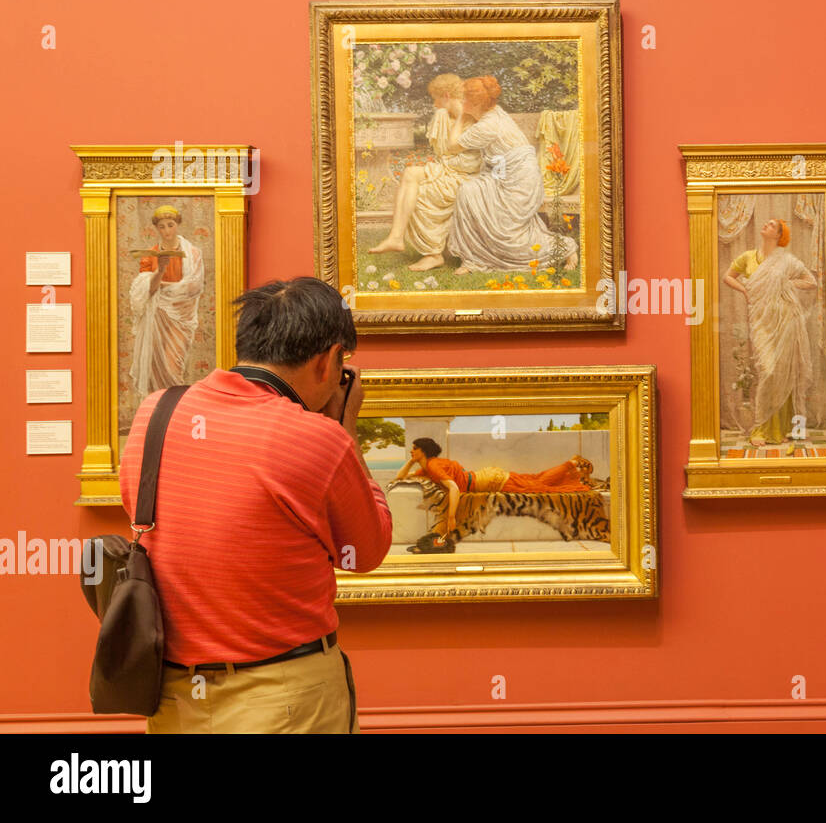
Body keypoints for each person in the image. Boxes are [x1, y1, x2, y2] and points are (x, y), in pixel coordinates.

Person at [118, 276, 393, 733]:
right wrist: (346, 431)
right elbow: (368, 551)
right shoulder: (319, 439)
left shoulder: (155, 412)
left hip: (172, 698)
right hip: (285, 697)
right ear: (329, 362)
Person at [444, 76, 578, 274]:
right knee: (468, 191)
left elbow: (451, 147)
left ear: (473, 103)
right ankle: (472, 259)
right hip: (508, 176)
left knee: (506, 232)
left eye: (464, 99)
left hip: (520, 183)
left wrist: (462, 117)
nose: (461, 102)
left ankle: (566, 249)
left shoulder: (487, 125)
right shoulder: (494, 114)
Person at [366, 74, 483, 271]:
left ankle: (432, 254)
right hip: (450, 171)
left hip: (466, 176)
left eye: (436, 99)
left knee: (421, 192)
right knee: (411, 172)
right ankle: (395, 237)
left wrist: (445, 166)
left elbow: (470, 160)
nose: (435, 104)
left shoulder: (470, 119)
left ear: (446, 95)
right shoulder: (447, 117)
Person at [390, 438, 594, 545]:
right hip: (487, 477)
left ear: (423, 451)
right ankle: (573, 464)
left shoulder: (433, 466)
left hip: (489, 482)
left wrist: (451, 516)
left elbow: (453, 488)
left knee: (537, 487)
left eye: (414, 449)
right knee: (535, 480)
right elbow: (400, 477)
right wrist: (411, 460)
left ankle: (572, 463)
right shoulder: (428, 466)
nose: (411, 451)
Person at [723, 217, 819, 446]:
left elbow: (810, 281)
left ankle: (787, 427)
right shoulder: (747, 257)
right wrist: (746, 291)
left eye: (772, 225)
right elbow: (728, 277)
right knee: (768, 370)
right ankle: (761, 428)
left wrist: (785, 285)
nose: (766, 225)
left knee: (785, 371)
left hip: (785, 319)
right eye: (766, 223)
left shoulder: (786, 261)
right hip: (761, 321)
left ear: (779, 235)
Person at [127, 204, 204, 400]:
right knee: (154, 367)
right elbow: (146, 291)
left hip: (181, 317)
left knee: (172, 365)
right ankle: (159, 411)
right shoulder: (151, 254)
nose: (167, 230)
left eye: (170, 225)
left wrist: (165, 288)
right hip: (157, 315)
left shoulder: (192, 253)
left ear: (177, 225)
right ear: (157, 229)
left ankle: (176, 409)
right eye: (162, 227)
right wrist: (160, 270)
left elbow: (193, 287)